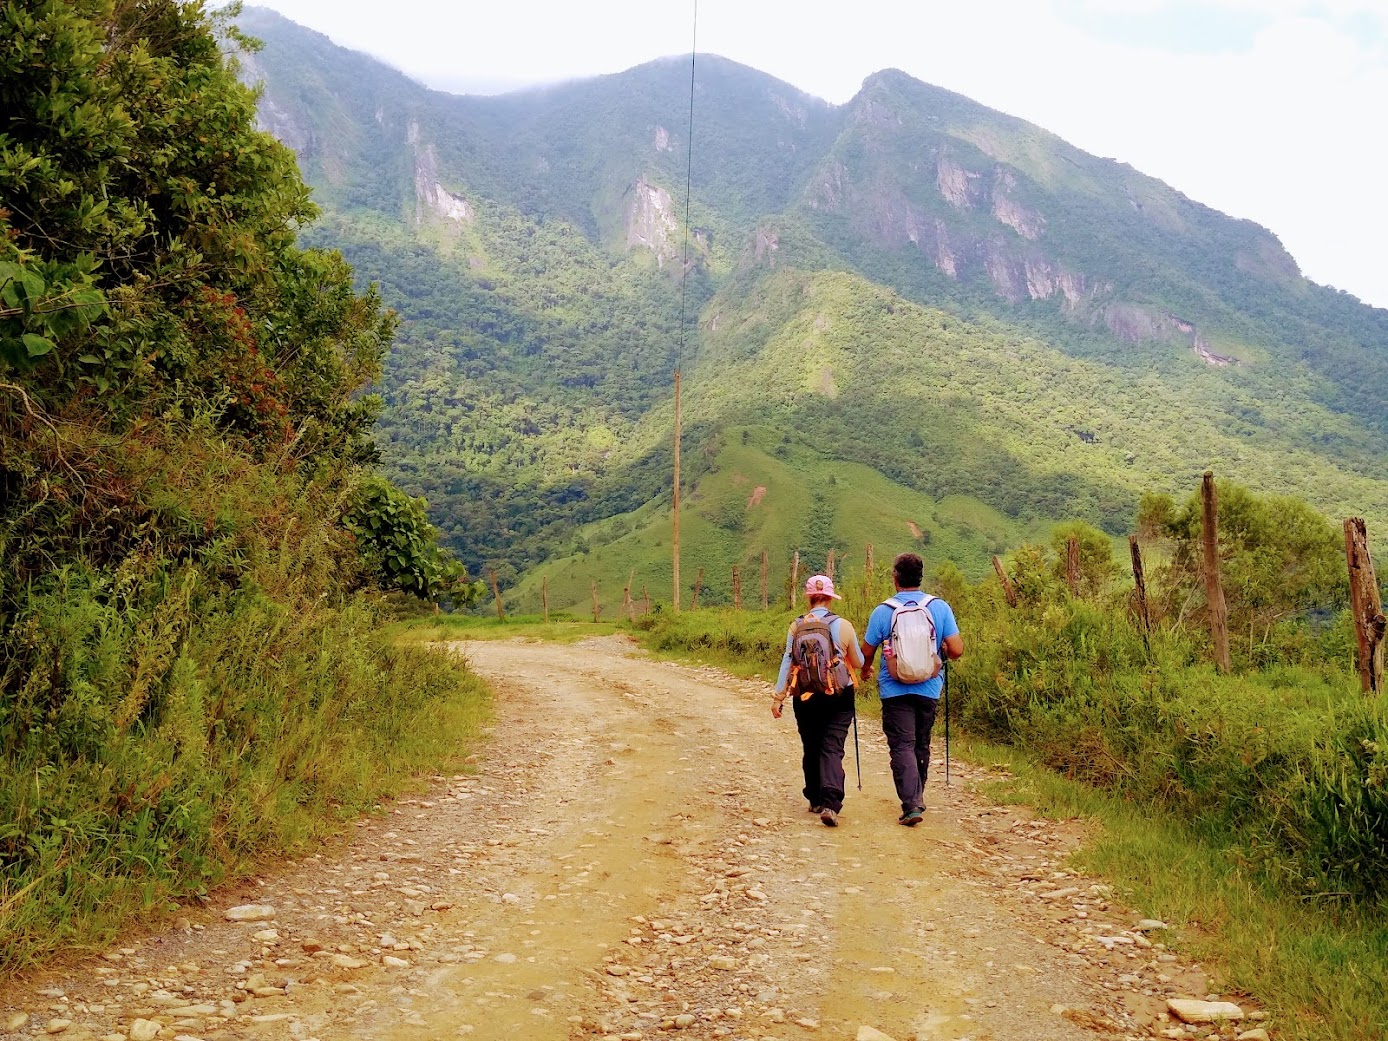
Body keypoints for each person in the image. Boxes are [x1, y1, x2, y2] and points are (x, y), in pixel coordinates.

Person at [860, 552, 963, 826]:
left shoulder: (883, 611)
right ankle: (917, 796)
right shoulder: (939, 608)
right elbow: (957, 650)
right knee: (921, 743)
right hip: (929, 687)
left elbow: (866, 650)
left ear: (895, 578)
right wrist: (940, 652)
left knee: (902, 745)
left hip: (894, 690)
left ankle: (911, 803)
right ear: (920, 577)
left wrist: (865, 669)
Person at [772, 574, 865, 827]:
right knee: (832, 747)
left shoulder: (796, 626)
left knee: (811, 744)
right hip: (839, 696)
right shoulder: (843, 625)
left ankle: (814, 797)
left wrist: (778, 696)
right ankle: (831, 803)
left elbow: (787, 660)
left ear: (810, 597)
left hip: (805, 696)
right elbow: (858, 662)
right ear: (830, 598)